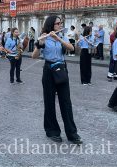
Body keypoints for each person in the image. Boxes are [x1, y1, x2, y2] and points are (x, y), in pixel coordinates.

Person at [32, 16, 82, 144]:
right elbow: (34, 56)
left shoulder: (62, 36)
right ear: (50, 25)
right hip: (48, 70)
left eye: (61, 23)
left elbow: (71, 48)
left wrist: (58, 38)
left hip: (61, 68)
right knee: (49, 102)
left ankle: (72, 133)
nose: (60, 25)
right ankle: (52, 131)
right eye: (57, 23)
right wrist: (40, 44)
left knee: (66, 102)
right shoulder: (44, 36)